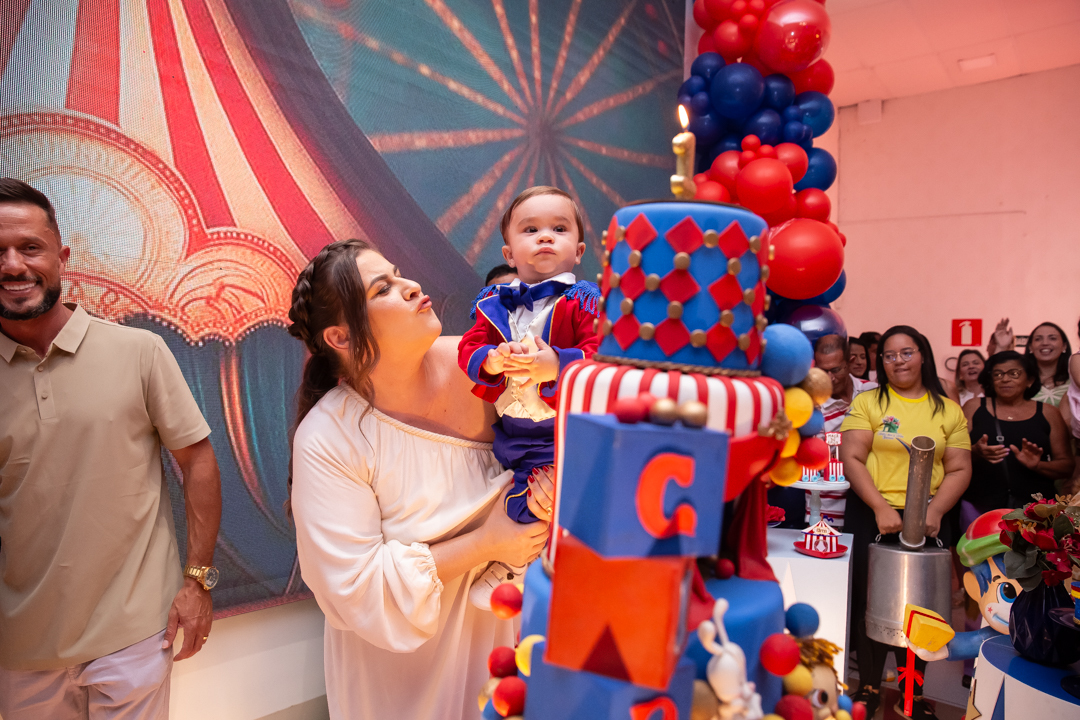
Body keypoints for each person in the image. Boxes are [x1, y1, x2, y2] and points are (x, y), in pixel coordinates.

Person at [288, 239, 551, 720]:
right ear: (340, 338)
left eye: (399, 272)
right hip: (402, 677)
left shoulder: (493, 368)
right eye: (383, 287)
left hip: (513, 639)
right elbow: (355, 588)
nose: (411, 287)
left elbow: (556, 445)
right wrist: (488, 542)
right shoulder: (329, 439)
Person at [0, 178, 222, 719]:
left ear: (62, 257)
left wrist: (197, 582)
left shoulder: (139, 352)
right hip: (18, 653)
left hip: (133, 636)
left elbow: (197, 462)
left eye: (29, 247)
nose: (12, 266)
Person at [457, 186, 599, 607]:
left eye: (559, 228)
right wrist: (492, 361)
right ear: (510, 253)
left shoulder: (585, 302)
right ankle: (529, 564)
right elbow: (468, 348)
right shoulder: (491, 304)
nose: (545, 237)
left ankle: (535, 567)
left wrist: (557, 364)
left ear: (578, 250)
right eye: (530, 229)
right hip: (516, 432)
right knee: (520, 495)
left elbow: (603, 359)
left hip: (568, 432)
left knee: (558, 499)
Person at [840, 325, 971, 720]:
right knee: (869, 604)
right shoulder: (868, 402)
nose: (898, 361)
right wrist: (880, 506)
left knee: (921, 611)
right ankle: (866, 688)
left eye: (906, 352)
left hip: (930, 517)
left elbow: (960, 468)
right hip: (872, 513)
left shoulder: (947, 409)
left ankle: (910, 693)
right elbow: (852, 458)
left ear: (923, 356)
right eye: (890, 355)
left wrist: (933, 512)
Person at [963, 351, 1073, 510]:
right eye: (998, 374)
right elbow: (953, 456)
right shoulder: (973, 407)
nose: (1005, 379)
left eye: (1014, 373)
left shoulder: (1049, 413)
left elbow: (1067, 466)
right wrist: (975, 451)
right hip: (978, 505)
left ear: (1030, 380)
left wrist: (1038, 465)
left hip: (1036, 511)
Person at [804, 334, 877, 528]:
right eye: (823, 371)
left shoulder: (873, 392)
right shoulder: (812, 407)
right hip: (827, 511)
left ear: (849, 361)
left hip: (872, 506)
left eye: (836, 370)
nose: (830, 378)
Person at [1024, 321, 1071, 407]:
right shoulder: (1021, 380)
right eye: (1038, 339)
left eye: (1052, 338)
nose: (1045, 343)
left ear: (1064, 346)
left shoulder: (1074, 380)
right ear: (1030, 347)